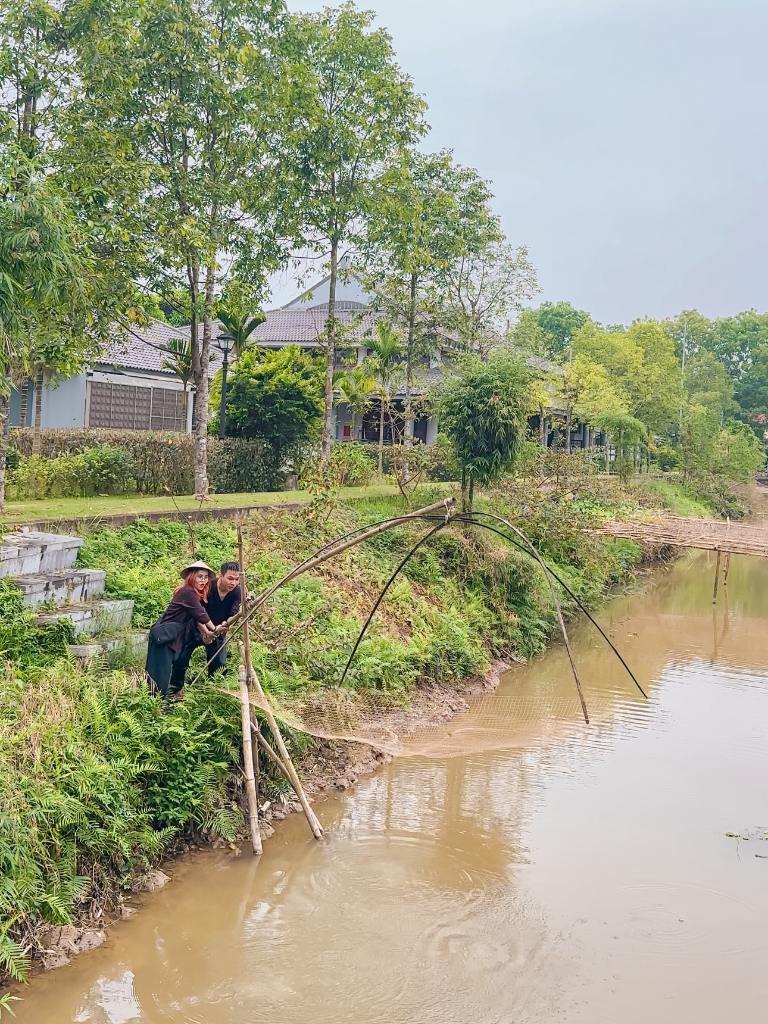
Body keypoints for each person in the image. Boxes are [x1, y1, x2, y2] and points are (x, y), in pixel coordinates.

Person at [167, 560, 242, 696]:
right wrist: (204, 632)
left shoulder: (237, 591)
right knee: (180, 658)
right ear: (221, 576)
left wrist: (224, 625)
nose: (233, 583)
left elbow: (234, 613)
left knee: (219, 664)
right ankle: (176, 692)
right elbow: (197, 611)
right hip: (196, 627)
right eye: (230, 578)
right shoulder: (208, 586)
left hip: (218, 630)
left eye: (236, 579)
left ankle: (212, 694)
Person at [145, 561, 217, 699]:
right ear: (192, 577)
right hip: (165, 636)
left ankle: (164, 702)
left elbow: (195, 617)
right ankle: (154, 706)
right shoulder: (188, 592)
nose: (203, 580)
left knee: (169, 670)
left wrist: (207, 632)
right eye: (200, 577)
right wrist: (215, 629)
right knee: (159, 673)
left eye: (206, 577)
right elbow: (201, 615)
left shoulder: (194, 593)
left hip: (173, 636)